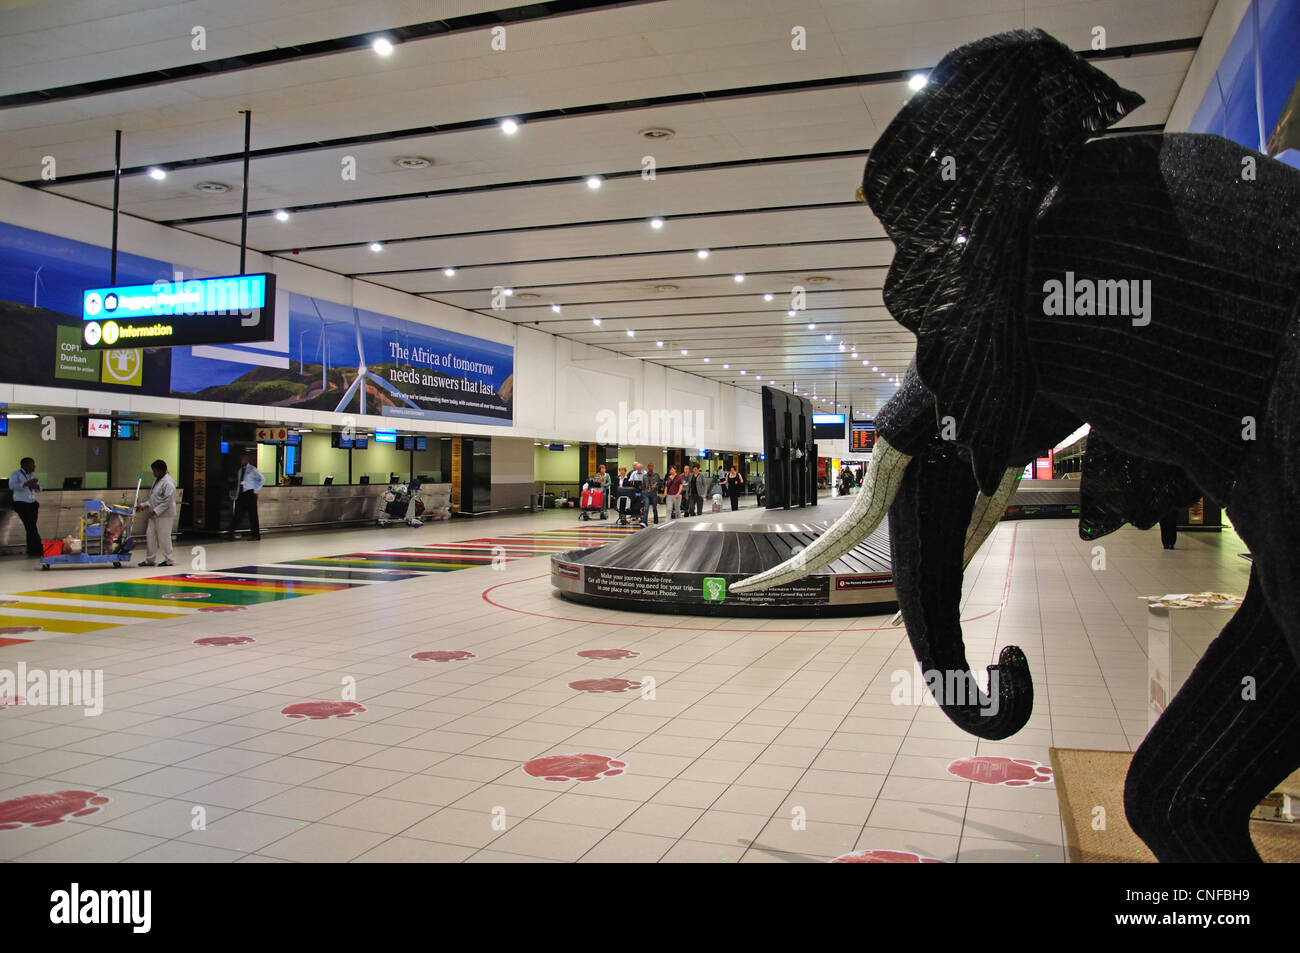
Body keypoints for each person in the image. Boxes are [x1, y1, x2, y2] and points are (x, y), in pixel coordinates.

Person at [136, 459, 177, 567]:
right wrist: (144, 505)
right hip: (153, 514)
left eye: (155, 471)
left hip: (165, 515)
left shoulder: (168, 483)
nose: (153, 473)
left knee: (164, 537)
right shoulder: (158, 480)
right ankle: (150, 559)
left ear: (161, 470)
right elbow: (154, 498)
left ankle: (169, 559)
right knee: (150, 536)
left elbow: (167, 501)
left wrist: (155, 511)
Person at [8, 457, 42, 557]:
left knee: (31, 526)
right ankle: (36, 548)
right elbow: (12, 486)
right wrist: (26, 484)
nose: (34, 466)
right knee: (30, 525)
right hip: (21, 503)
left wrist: (36, 486)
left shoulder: (32, 475)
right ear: (25, 465)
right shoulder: (16, 474)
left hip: (32, 503)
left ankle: (33, 548)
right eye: (32, 464)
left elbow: (40, 488)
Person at [231, 450, 265, 540]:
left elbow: (262, 479)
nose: (241, 461)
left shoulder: (252, 469)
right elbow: (239, 483)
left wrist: (256, 490)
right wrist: (237, 494)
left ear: (246, 460)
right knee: (237, 514)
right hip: (242, 494)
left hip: (250, 493)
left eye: (243, 459)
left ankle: (255, 535)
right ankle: (231, 533)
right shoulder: (240, 470)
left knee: (252, 515)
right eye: (240, 459)